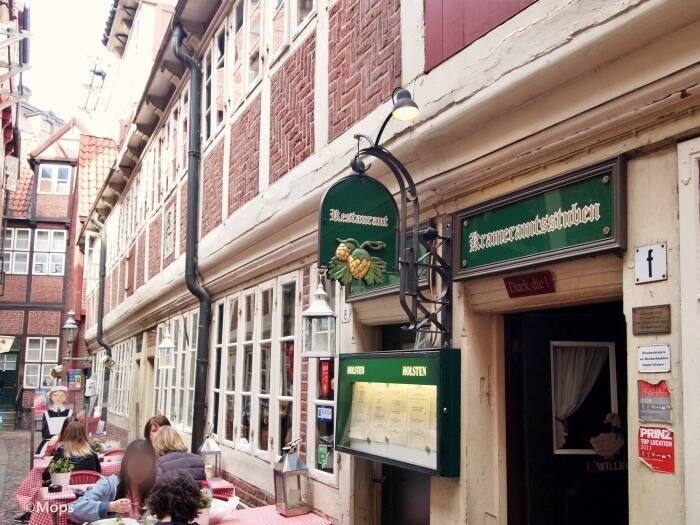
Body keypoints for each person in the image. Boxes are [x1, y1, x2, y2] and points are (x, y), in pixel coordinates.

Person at [69, 439, 157, 523]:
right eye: (135, 464)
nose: (140, 470)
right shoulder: (109, 484)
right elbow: (74, 509)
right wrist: (110, 506)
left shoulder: (156, 489)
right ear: (126, 463)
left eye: (146, 465)